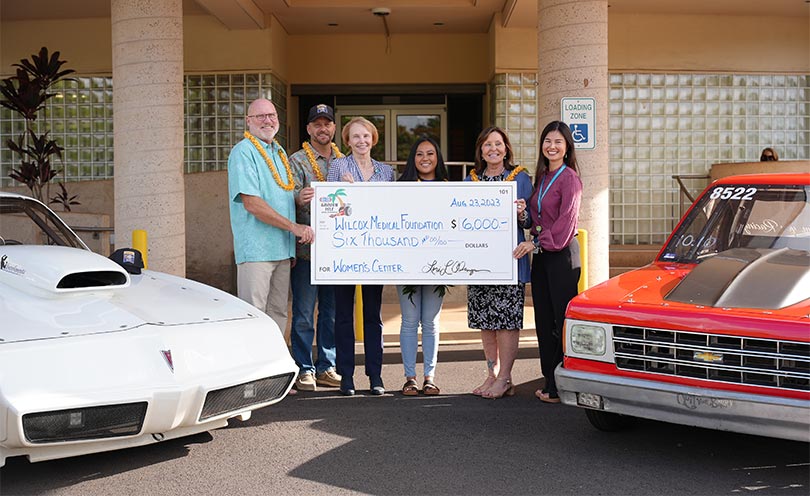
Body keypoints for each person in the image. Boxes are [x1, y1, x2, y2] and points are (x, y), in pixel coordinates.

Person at [228, 99, 314, 396]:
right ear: (249, 121)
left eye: (272, 115)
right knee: (255, 314)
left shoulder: (277, 152)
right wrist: (294, 229)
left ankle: (273, 377)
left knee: (278, 313)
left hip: (281, 249)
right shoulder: (244, 152)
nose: (267, 120)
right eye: (261, 115)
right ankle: (251, 382)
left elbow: (281, 198)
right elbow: (252, 203)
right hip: (256, 250)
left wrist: (299, 203)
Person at [513, 120, 582, 404]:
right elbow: (534, 219)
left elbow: (566, 223)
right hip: (542, 257)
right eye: (547, 141)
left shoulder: (570, 179)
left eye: (558, 142)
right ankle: (549, 380)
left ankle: (561, 384)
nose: (552, 146)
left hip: (562, 256)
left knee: (560, 320)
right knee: (543, 319)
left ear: (567, 148)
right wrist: (522, 215)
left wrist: (536, 242)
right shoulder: (541, 177)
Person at [326, 117, 395, 396]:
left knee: (372, 316)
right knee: (343, 316)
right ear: (348, 140)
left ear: (373, 138)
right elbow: (329, 209)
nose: (361, 141)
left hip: (374, 253)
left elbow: (392, 211)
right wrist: (344, 193)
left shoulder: (386, 172)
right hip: (345, 252)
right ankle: (346, 376)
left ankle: (375, 375)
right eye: (355, 136)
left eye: (365, 136)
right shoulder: (337, 167)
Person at [465, 126, 533, 399]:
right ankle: (491, 374)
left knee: (506, 322)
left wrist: (521, 213)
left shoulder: (520, 178)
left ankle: (505, 377)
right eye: (487, 145)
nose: (493, 149)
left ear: (506, 147)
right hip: (480, 261)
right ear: (480, 150)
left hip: (509, 260)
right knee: (486, 321)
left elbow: (532, 221)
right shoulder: (471, 180)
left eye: (498, 143)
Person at [287, 104, 344, 392]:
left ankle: (327, 366)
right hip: (307, 251)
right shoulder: (296, 161)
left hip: (337, 254)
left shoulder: (344, 163)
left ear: (334, 128)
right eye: (317, 124)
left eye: (328, 124)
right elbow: (284, 199)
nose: (323, 129)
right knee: (304, 313)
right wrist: (299, 198)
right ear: (308, 129)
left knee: (331, 314)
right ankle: (303, 368)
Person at [396, 135, 449, 396]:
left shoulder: (450, 188)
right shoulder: (400, 186)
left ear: (437, 157)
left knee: (430, 322)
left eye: (430, 153)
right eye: (419, 154)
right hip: (407, 264)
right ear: (412, 159)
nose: (425, 158)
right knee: (409, 321)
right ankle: (409, 378)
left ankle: (430, 377)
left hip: (438, 265)